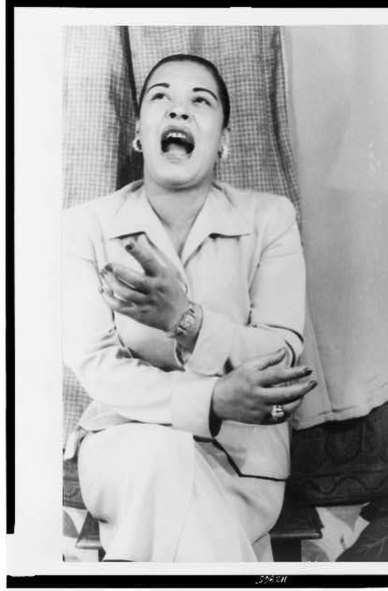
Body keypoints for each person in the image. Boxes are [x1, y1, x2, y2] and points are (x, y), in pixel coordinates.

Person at [63, 53, 315, 562]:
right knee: (158, 455)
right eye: (161, 97)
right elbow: (96, 365)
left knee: (176, 510)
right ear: (139, 133)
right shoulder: (83, 228)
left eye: (200, 101)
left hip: (241, 462)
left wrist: (188, 322)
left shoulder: (271, 219)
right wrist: (213, 398)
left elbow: (282, 355)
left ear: (223, 141)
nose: (178, 109)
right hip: (124, 447)